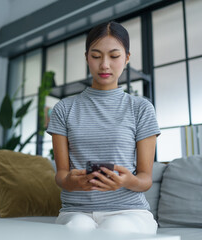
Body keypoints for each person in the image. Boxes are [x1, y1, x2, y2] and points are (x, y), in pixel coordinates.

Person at [46, 21, 161, 234]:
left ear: (126, 57)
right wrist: (72, 182)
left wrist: (128, 180)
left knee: (115, 228)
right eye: (96, 56)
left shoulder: (141, 108)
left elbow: (145, 180)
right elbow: (61, 175)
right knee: (76, 227)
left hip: (129, 211)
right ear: (87, 57)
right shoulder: (64, 108)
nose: (104, 65)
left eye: (114, 56)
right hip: (77, 211)